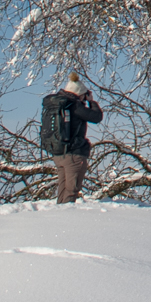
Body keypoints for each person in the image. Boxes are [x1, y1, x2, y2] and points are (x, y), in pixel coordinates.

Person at [53, 73, 103, 204]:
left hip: (58, 153)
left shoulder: (58, 104)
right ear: (79, 93)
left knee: (63, 189)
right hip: (73, 154)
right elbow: (96, 117)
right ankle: (66, 215)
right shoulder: (75, 106)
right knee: (71, 190)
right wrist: (91, 102)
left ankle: (58, 213)